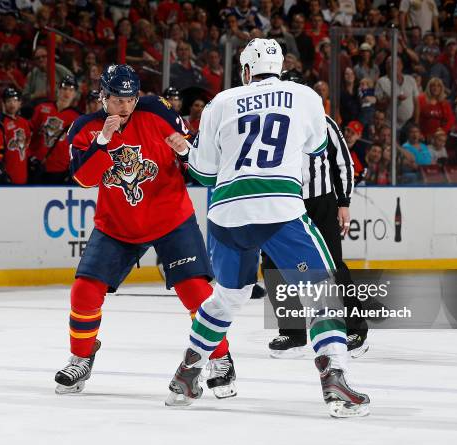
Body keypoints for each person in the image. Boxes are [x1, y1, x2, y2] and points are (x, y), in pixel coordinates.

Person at [166, 39, 369, 418]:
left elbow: (204, 173)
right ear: (280, 67)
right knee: (321, 288)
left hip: (226, 214)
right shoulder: (304, 96)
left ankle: (187, 372)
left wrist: (184, 151)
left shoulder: (220, 102)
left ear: (245, 71)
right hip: (278, 207)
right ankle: (335, 378)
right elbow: (315, 147)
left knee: (228, 297)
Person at [54, 64, 236, 400]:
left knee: (194, 291)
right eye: (117, 100)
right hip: (116, 225)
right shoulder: (84, 128)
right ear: (102, 97)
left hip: (171, 218)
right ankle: (81, 356)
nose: (125, 107)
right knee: (83, 290)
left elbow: (195, 157)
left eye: (130, 99)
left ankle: (221, 357)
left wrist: (185, 149)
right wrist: (104, 142)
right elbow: (84, 178)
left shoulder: (155, 110)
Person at [262, 71, 368, 360]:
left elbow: (343, 164)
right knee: (274, 266)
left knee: (332, 265)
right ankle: (292, 332)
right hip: (281, 201)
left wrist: (343, 201)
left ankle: (354, 327)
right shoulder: (269, 122)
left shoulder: (323, 122)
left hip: (320, 202)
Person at [28, 76, 81, 184]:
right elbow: (29, 133)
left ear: (75, 94)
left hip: (61, 169)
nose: (67, 92)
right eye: (64, 88)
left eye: (71, 90)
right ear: (58, 90)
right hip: (38, 165)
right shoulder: (42, 108)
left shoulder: (77, 117)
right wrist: (30, 156)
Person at [0, 87, 31, 185]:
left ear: (20, 103)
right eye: (9, 101)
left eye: (15, 100)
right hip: (6, 174)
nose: (12, 104)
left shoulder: (24, 122)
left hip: (22, 173)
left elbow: (28, 144)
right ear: (3, 103)